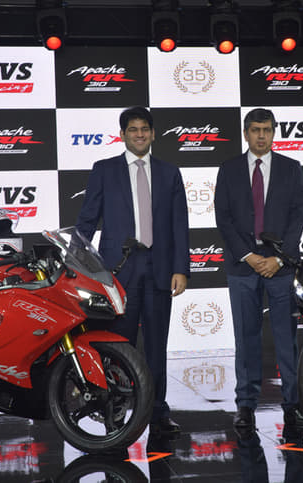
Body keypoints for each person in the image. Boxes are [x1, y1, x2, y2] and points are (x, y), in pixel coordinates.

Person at [75, 106, 190, 435]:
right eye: (133, 129)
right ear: (123, 135)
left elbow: (179, 225)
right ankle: (116, 408)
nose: (139, 134)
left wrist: (181, 269)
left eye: (144, 129)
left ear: (153, 134)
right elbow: (87, 221)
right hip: (118, 270)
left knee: (156, 346)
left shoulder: (170, 173)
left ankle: (158, 411)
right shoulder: (104, 170)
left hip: (159, 268)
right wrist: (80, 265)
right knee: (118, 345)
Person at [214, 108, 303, 432]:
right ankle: (246, 406)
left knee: (286, 339)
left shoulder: (291, 168)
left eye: (267, 129)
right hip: (243, 266)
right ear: (245, 133)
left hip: (280, 267)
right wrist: (248, 255)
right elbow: (223, 217)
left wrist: (280, 259)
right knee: (246, 339)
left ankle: (293, 405)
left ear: (274, 132)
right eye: (255, 130)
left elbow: (298, 217)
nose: (261, 135)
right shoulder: (228, 169)